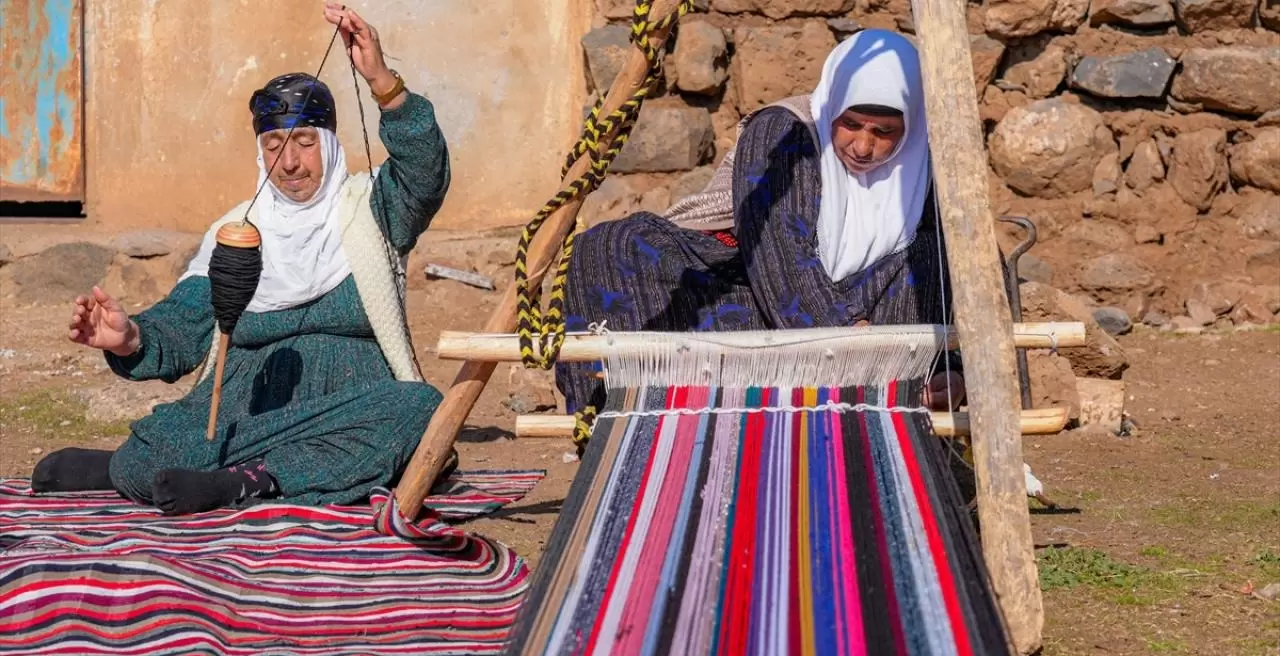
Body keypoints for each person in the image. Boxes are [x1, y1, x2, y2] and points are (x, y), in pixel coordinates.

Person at [32, 5, 452, 515]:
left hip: (350, 404)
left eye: (303, 142)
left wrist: (383, 81)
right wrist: (131, 337)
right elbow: (187, 323)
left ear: (329, 144)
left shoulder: (375, 209)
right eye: (275, 144)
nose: (290, 162)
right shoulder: (238, 232)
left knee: (419, 409)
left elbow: (425, 172)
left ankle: (233, 477)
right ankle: (198, 468)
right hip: (246, 408)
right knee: (175, 438)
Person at [556, 29, 967, 417]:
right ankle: (633, 425)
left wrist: (954, 368)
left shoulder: (926, 160)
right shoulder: (785, 130)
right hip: (754, 292)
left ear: (910, 127)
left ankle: (895, 404)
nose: (862, 145)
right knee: (610, 246)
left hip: (859, 318)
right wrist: (850, 340)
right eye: (851, 124)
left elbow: (963, 273)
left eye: (884, 131)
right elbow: (776, 256)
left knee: (938, 253)